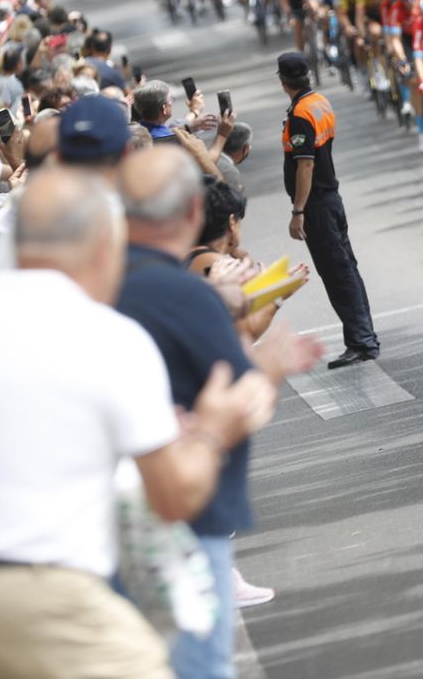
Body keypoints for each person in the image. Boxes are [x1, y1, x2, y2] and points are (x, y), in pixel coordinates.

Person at [0, 168, 276, 679]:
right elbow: (174, 496)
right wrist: (217, 429)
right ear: (103, 243)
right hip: (48, 596)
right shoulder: (108, 336)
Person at [115, 149, 321, 678]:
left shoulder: (113, 283)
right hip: (176, 503)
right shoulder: (190, 285)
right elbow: (240, 379)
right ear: (194, 217)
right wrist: (271, 359)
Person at [278, 52, 380, 368]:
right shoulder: (319, 102)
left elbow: (305, 164)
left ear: (283, 81)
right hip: (330, 199)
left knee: (338, 273)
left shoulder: (300, 115)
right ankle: (364, 337)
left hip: (318, 204)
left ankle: (362, 341)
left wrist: (298, 211)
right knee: (346, 268)